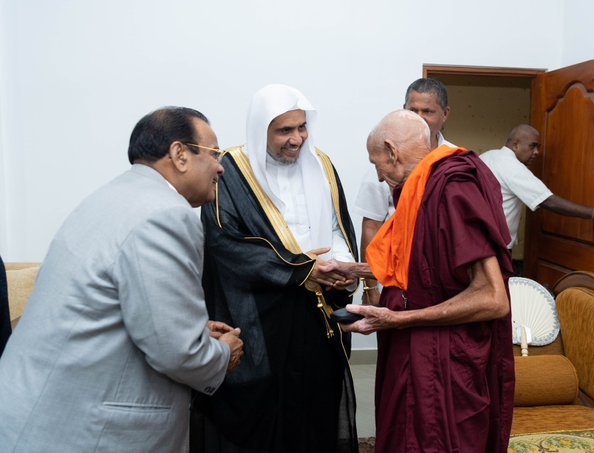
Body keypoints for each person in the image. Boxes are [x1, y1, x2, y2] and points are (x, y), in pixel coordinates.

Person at [0, 107, 244, 451]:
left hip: (36, 409)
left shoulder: (110, 196)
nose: (221, 167)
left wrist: (192, 329)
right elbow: (178, 353)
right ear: (179, 155)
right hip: (83, 430)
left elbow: (113, 302)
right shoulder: (167, 214)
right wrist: (221, 353)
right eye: (214, 153)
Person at [326, 110, 515, 452]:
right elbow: (422, 267)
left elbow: (492, 297)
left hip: (445, 358)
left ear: (392, 151)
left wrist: (399, 319)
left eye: (376, 164)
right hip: (414, 349)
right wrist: (356, 270)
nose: (379, 177)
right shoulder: (422, 188)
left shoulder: (454, 188)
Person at [190, 84, 359, 453]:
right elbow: (224, 243)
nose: (296, 139)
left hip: (315, 313)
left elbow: (337, 227)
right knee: (262, 414)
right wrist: (301, 267)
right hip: (257, 316)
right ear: (260, 130)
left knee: (315, 405)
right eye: (284, 130)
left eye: (302, 127)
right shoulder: (231, 171)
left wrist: (342, 267)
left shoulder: (321, 164)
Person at [354, 77, 455, 304]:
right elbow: (371, 226)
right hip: (392, 277)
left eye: (427, 111)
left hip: (441, 279)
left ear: (445, 114)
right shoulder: (385, 158)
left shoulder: (453, 159)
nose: (419, 117)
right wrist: (370, 288)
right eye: (413, 110)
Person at [480, 123, 594, 250]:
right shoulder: (513, 167)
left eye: (538, 147)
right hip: (494, 247)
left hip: (477, 240)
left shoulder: (487, 156)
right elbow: (548, 201)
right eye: (532, 146)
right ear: (516, 144)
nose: (536, 152)